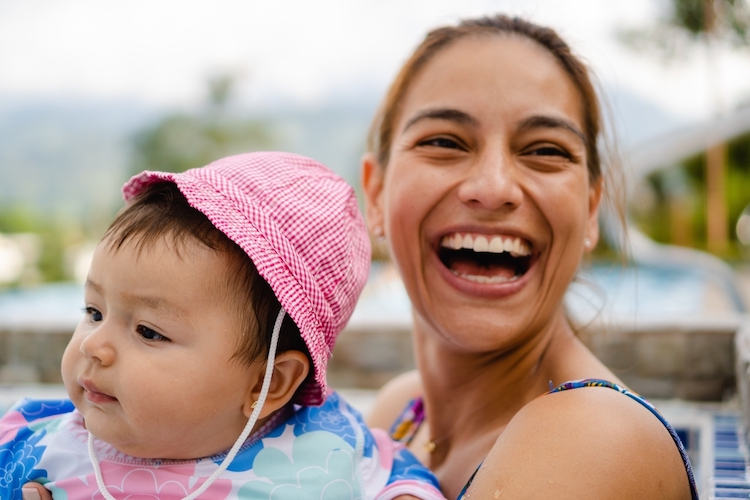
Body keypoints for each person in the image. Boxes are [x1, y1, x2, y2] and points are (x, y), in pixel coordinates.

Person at [361, 14, 699, 500]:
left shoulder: (594, 438)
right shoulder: (404, 411)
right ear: (375, 193)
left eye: (545, 150)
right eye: (443, 142)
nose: (493, 188)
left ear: (589, 211)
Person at [1, 152, 445, 500]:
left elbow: (400, 473)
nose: (95, 345)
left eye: (149, 332)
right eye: (93, 312)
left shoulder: (329, 448)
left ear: (269, 382)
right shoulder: (35, 445)